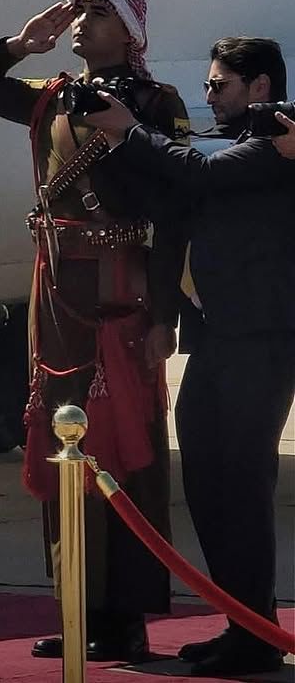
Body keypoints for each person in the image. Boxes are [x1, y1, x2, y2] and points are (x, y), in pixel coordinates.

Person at [0, 0, 188, 662]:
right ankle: (78, 610)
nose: (80, 24)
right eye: (78, 14)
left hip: (121, 295)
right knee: (63, 444)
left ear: (128, 31)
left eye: (97, 14)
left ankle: (126, 617)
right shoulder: (49, 95)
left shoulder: (156, 104)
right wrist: (20, 45)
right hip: (57, 298)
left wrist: (165, 315)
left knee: (127, 449)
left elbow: (173, 215)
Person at [83, 36, 294, 678]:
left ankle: (256, 637)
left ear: (260, 86)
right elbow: (177, 197)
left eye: (220, 84)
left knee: (242, 486)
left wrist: (130, 129)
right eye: (206, 84)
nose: (209, 94)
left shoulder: (279, 139)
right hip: (219, 339)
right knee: (206, 481)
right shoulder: (229, 142)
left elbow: (198, 173)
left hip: (262, 341)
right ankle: (243, 622)